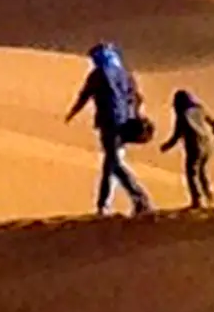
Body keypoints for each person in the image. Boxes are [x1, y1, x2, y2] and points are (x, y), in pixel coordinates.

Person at [65, 42, 153, 216]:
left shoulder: (98, 75)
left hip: (109, 124)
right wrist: (136, 115)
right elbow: (137, 98)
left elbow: (85, 95)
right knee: (110, 163)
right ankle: (103, 205)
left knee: (115, 164)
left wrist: (72, 113)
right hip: (126, 124)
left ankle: (140, 198)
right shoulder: (126, 75)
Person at [160, 89, 214, 208]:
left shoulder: (183, 115)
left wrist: (167, 146)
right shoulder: (200, 109)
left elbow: (177, 134)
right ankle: (209, 196)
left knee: (192, 173)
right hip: (208, 145)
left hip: (195, 146)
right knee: (202, 171)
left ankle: (197, 200)